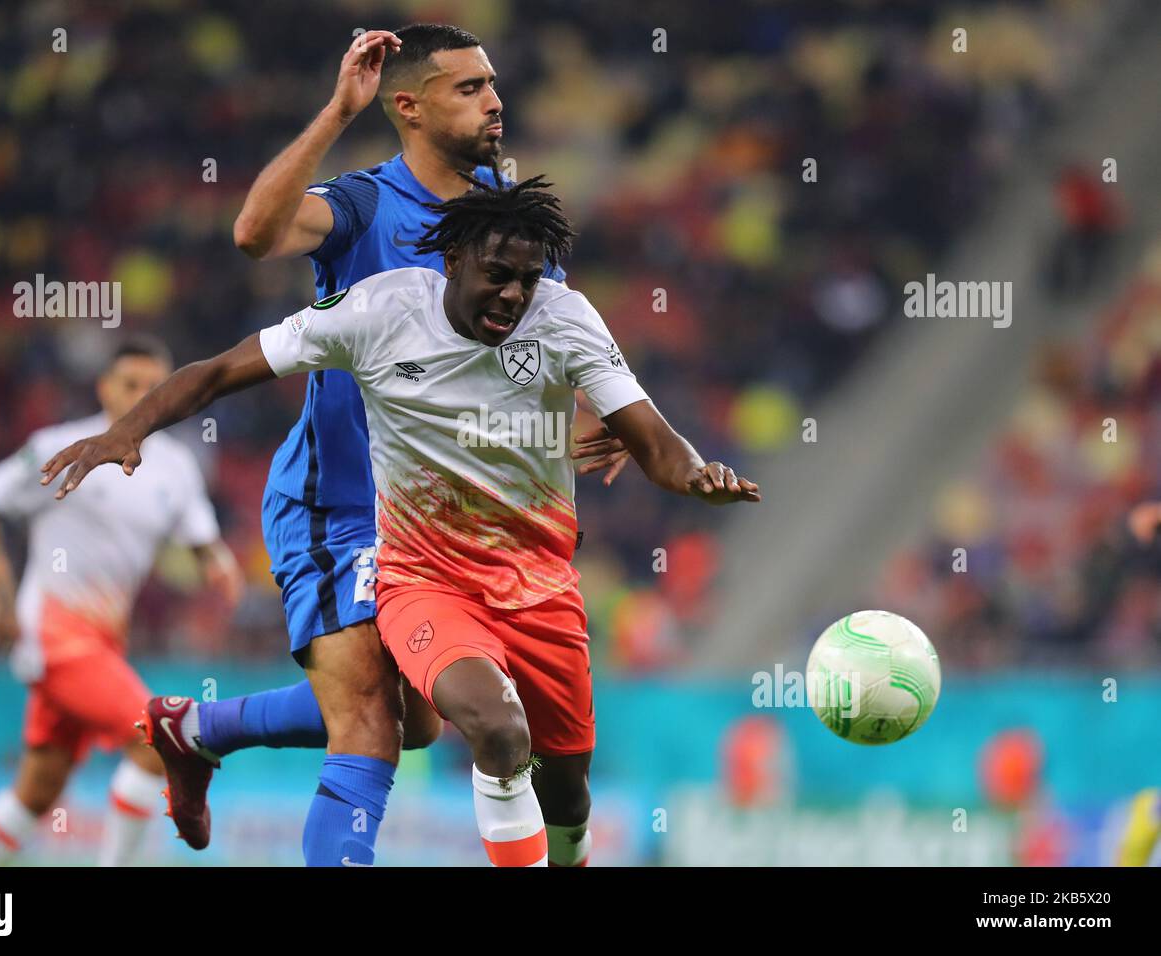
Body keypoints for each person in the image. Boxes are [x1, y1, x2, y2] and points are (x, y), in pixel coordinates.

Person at [40, 176, 760, 866]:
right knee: (488, 730)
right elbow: (223, 370)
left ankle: (200, 728)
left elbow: (655, 440)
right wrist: (127, 430)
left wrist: (696, 475)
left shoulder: (564, 320)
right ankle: (204, 734)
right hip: (424, 578)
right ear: (450, 260)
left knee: (559, 795)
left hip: (541, 590)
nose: (513, 294)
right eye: (497, 274)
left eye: (528, 280)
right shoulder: (379, 311)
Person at [140, 23, 629, 864]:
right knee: (369, 720)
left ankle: (198, 727)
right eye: (470, 87)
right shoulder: (365, 202)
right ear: (408, 105)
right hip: (343, 503)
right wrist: (336, 111)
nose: (495, 100)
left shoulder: (509, 213)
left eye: (492, 84)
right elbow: (256, 233)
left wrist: (600, 409)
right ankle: (203, 733)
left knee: (418, 720)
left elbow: (548, 337)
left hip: (445, 522)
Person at [0, 337, 243, 866]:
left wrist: (219, 566)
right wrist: (1, 594)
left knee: (36, 792)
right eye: (130, 383)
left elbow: (203, 544)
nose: (141, 394)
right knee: (159, 740)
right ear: (104, 387)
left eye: (154, 385)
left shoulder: (176, 468)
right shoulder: (59, 447)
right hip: (54, 634)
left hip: (104, 643)